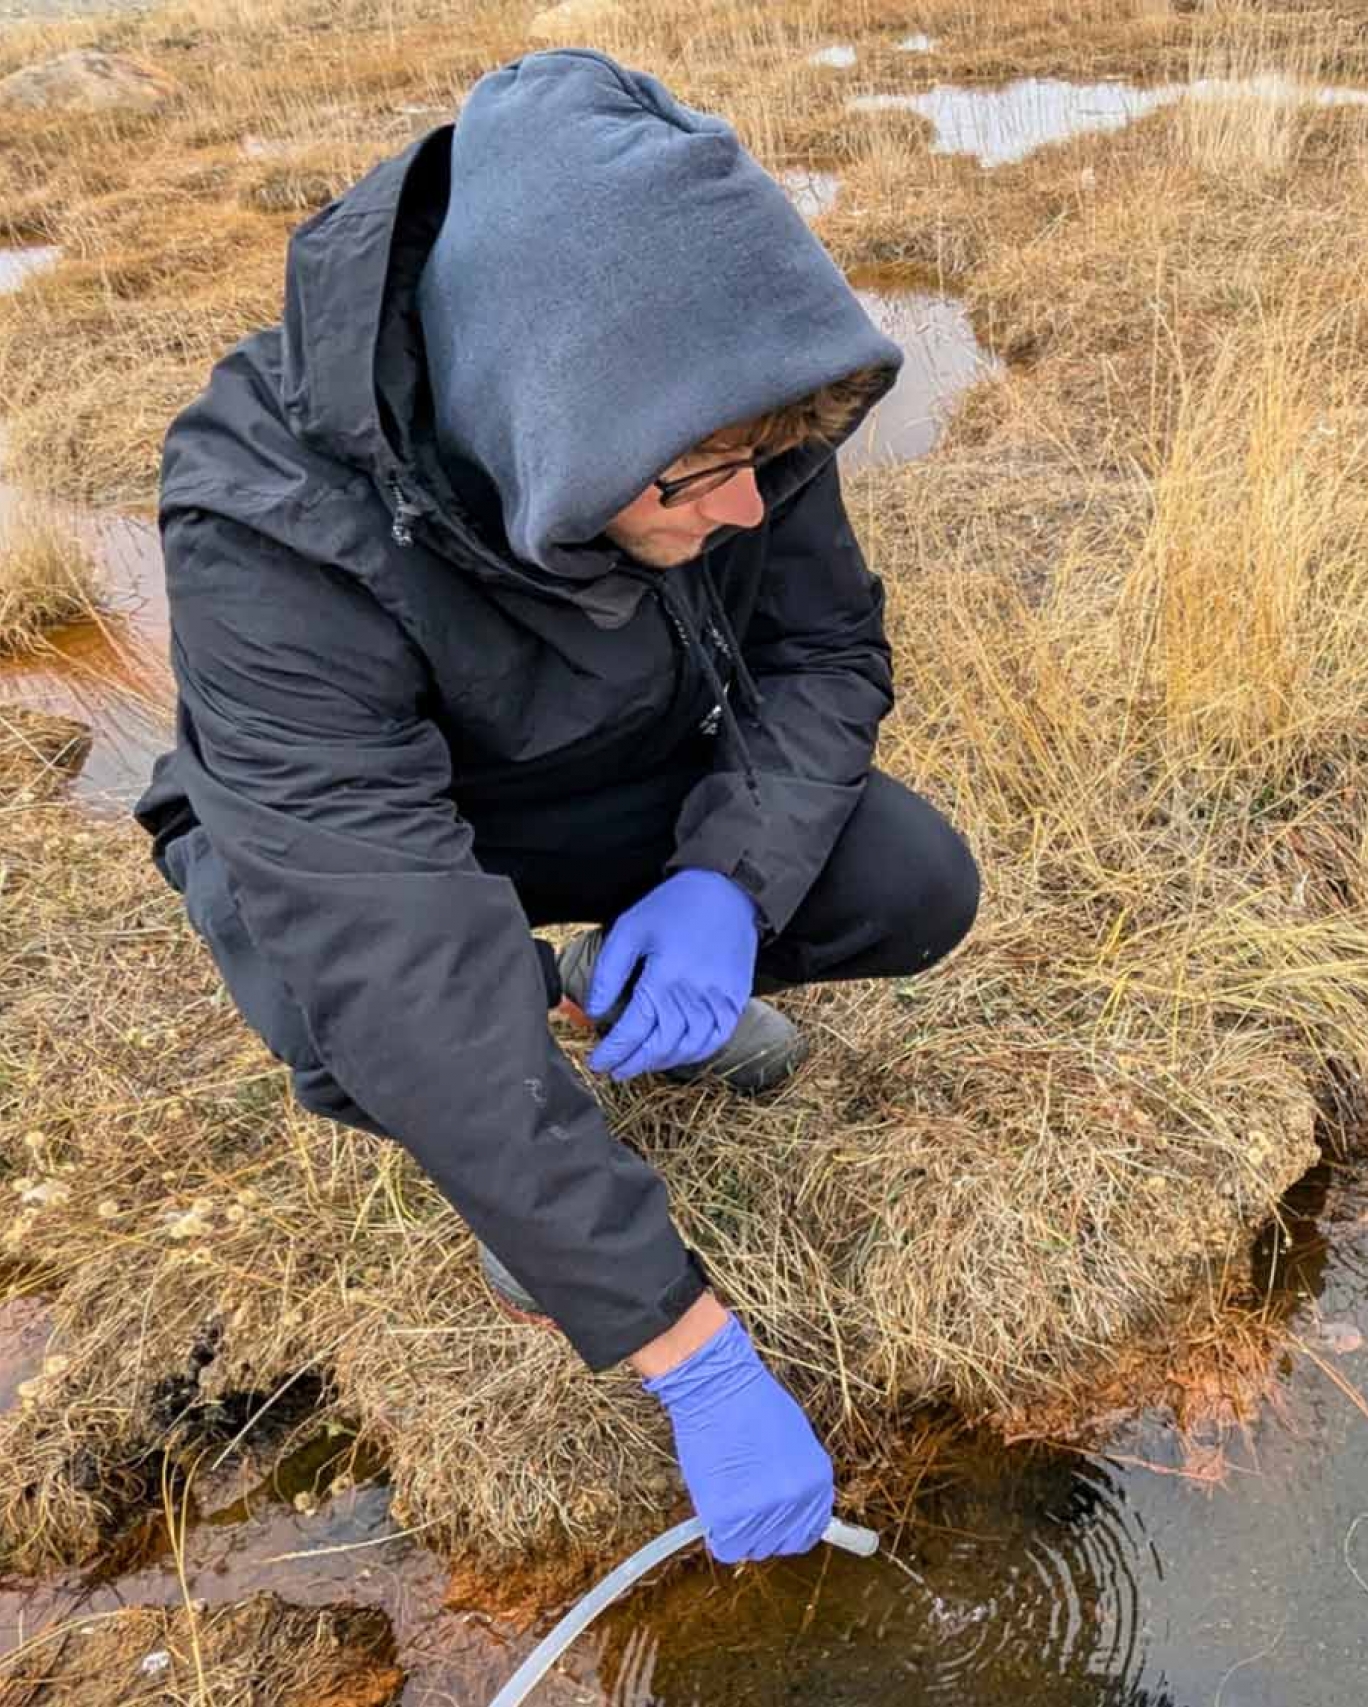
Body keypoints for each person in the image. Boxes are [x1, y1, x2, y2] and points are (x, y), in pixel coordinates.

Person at [136, 51, 980, 1563]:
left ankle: (609, 981)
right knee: (360, 1022)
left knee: (908, 880)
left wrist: (726, 875)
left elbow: (824, 650)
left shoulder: (725, 395)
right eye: (705, 475)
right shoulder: (268, 521)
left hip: (618, 753)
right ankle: (517, 1133)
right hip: (371, 832)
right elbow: (395, 950)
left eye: (766, 461)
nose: (747, 506)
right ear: (550, 425)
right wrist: (689, 1347)